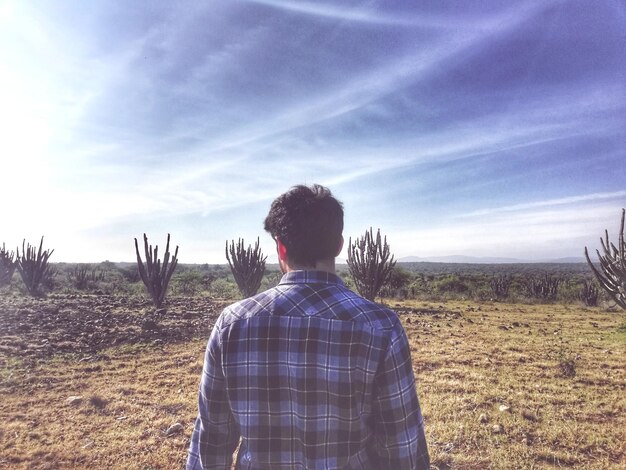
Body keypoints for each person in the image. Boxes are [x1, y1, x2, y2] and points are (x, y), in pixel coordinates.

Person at [187, 184, 429, 469]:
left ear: (280, 246)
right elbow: (400, 446)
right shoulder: (380, 327)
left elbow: (212, 440)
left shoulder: (232, 324)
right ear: (339, 244)